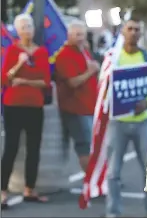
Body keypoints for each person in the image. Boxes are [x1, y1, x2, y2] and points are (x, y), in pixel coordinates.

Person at [105, 16, 147, 218]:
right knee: (113, 172)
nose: (134, 32)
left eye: (137, 29)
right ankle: (113, 211)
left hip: (143, 122)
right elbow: (104, 87)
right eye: (130, 28)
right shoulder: (113, 57)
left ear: (141, 33)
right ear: (122, 32)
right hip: (117, 123)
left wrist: (146, 102)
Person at [1, 14, 51, 209]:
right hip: (13, 104)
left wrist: (24, 81)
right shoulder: (13, 50)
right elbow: (5, 78)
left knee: (34, 148)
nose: (27, 29)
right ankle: (2, 191)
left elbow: (45, 81)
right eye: (23, 27)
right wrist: (20, 63)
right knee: (11, 148)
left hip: (34, 105)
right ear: (17, 30)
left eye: (29, 26)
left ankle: (30, 188)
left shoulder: (41, 52)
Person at [55, 20, 99, 172]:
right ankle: (90, 179)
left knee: (93, 145)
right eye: (77, 35)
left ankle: (95, 178)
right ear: (69, 35)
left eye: (83, 35)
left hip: (90, 106)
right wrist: (91, 71)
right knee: (84, 146)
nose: (81, 38)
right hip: (76, 108)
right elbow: (72, 82)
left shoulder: (84, 50)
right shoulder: (64, 55)